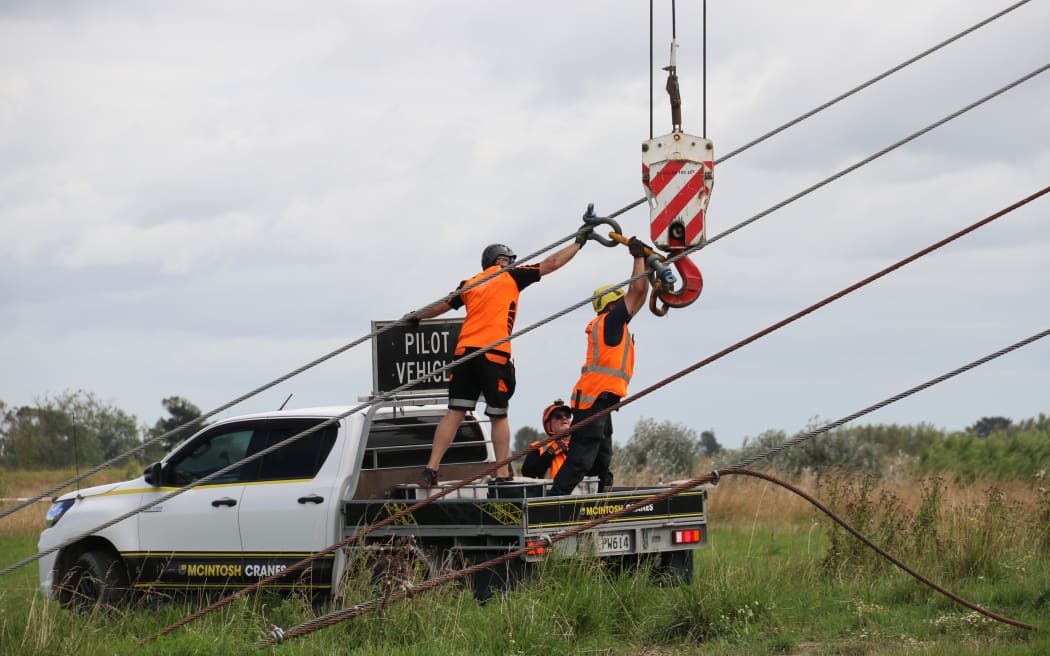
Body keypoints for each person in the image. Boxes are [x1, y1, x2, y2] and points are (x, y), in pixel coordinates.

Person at [408, 232, 591, 489]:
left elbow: (442, 306)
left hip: (464, 355)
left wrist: (416, 316)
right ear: (502, 260)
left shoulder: (470, 283)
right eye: (510, 260)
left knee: (455, 413)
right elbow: (552, 263)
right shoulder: (511, 276)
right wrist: (579, 243)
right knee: (498, 414)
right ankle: (501, 473)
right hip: (494, 354)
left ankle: (430, 469)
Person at [549, 236, 649, 496]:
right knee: (581, 460)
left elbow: (640, 294)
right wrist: (638, 257)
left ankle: (603, 500)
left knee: (602, 460)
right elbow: (636, 293)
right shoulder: (610, 322)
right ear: (612, 304)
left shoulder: (615, 324)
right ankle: (549, 506)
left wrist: (646, 264)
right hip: (593, 401)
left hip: (602, 402)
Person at [521, 400, 572, 479]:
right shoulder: (540, 448)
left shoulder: (582, 445)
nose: (564, 418)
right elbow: (527, 472)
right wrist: (550, 453)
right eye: (558, 416)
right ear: (548, 426)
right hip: (550, 490)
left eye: (567, 415)